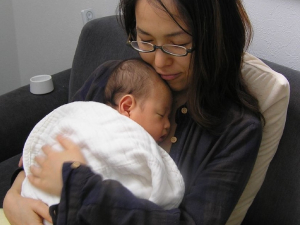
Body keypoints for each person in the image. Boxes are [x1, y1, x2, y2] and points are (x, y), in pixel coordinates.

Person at [3, 0, 265, 224]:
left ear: (214, 39)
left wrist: (78, 184)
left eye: (178, 44)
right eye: (146, 40)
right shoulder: (112, 77)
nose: (160, 62)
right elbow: (53, 143)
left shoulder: (237, 129)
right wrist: (14, 197)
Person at [20, 58, 184, 225]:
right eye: (161, 115)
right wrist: (14, 194)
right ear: (127, 107)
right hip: (35, 200)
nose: (167, 125)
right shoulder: (98, 118)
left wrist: (74, 177)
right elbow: (64, 131)